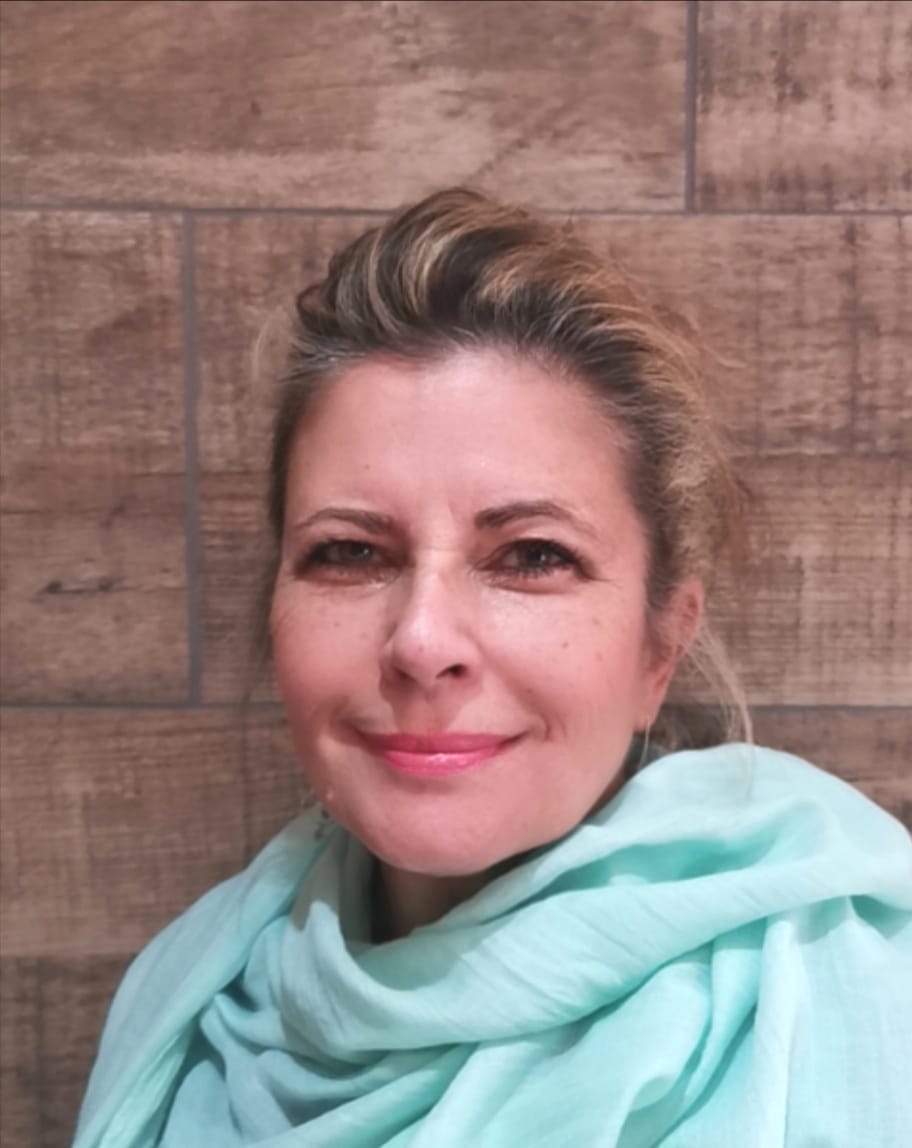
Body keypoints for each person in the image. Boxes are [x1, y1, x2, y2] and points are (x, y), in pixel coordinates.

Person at [74, 190, 911, 1148]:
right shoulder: (185, 1006)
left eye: (533, 556)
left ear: (661, 647)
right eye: (349, 553)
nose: (422, 642)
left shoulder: (839, 980)